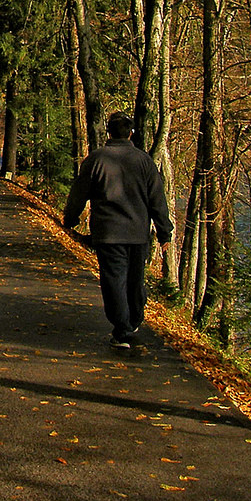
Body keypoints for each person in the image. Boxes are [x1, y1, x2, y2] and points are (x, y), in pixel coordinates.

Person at [62, 112, 173, 350]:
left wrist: (70, 219)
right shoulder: (144, 161)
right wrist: (164, 232)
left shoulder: (96, 159)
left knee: (114, 280)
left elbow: (79, 193)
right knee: (135, 279)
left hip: (108, 233)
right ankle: (132, 322)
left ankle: (123, 329)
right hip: (137, 233)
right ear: (130, 133)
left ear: (109, 133)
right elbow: (157, 200)